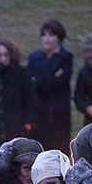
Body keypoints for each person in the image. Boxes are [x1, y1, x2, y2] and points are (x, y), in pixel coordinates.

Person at [28, 19, 74, 154]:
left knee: (59, 150)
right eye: (44, 35)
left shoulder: (66, 57)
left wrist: (38, 80)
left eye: (51, 35)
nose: (46, 39)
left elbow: (60, 83)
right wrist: (52, 78)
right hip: (40, 112)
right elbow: (31, 84)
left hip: (59, 112)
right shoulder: (34, 58)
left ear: (59, 38)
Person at [0, 37, 37, 142]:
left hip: (16, 129)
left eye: (6, 55)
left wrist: (27, 124)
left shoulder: (21, 74)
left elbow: (31, 100)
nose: (3, 59)